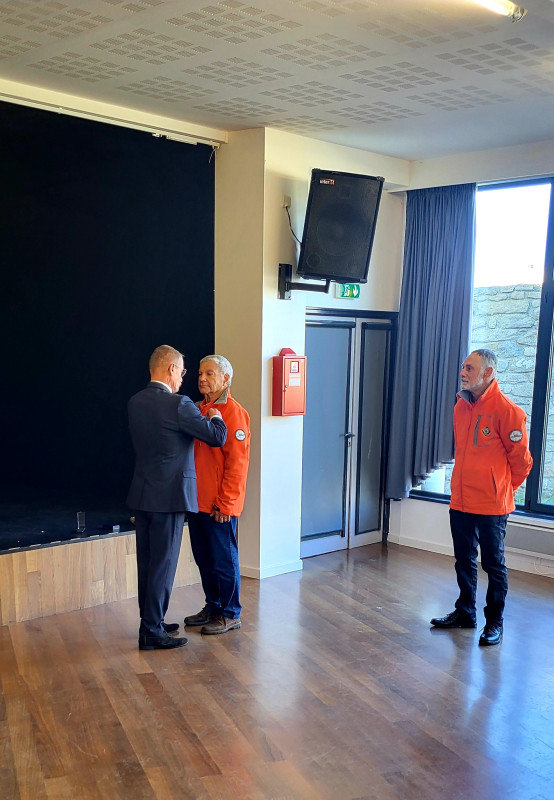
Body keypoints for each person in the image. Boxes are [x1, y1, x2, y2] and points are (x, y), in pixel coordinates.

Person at [127, 345, 227, 651]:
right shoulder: (178, 404)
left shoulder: (135, 402)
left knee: (148, 563)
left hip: (143, 495)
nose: (184, 378)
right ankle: (152, 632)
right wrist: (214, 415)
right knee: (163, 564)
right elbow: (216, 436)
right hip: (169, 498)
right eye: (183, 371)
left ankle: (151, 621)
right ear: (171, 369)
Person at [431, 349, 533, 646]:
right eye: (463, 367)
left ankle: (494, 623)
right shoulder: (460, 407)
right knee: (463, 559)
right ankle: (465, 613)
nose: (463, 372)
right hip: (461, 500)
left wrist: (500, 488)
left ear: (488, 373)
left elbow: (522, 463)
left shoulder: (508, 411)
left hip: (492, 505)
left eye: (469, 368)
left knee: (493, 564)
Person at [185, 355, 250, 635]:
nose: (202, 378)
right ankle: (212, 606)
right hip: (196, 502)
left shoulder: (234, 413)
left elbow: (237, 466)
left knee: (224, 559)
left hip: (217, 506)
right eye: (200, 373)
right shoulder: (199, 410)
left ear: (226, 379)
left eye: (209, 374)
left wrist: (226, 504)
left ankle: (230, 612)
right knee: (204, 558)